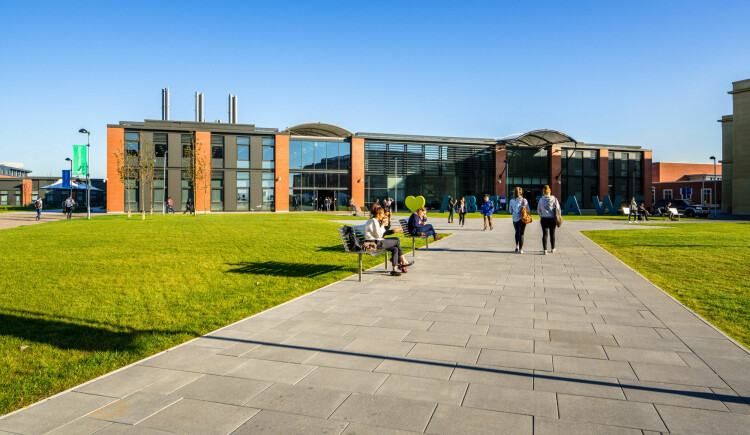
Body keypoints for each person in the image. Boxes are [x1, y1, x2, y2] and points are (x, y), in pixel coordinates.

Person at [365, 206, 413, 276]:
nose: (383, 216)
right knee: (396, 241)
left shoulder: (374, 221)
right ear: (378, 214)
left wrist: (384, 224)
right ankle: (403, 261)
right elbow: (378, 235)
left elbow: (380, 234)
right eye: (382, 214)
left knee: (395, 248)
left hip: (374, 242)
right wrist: (382, 225)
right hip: (371, 244)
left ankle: (394, 270)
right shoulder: (373, 221)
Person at [537, 185, 560, 255]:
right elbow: (558, 209)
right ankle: (553, 248)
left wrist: (541, 216)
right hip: (552, 219)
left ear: (543, 192)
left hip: (544, 219)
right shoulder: (554, 199)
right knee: (552, 234)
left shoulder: (541, 200)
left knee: (544, 234)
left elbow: (539, 210)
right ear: (550, 191)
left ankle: (545, 250)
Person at [508, 187, 528, 253]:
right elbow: (528, 209)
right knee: (521, 233)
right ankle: (520, 249)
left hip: (515, 218)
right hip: (522, 218)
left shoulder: (511, 201)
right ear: (521, 192)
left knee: (517, 232)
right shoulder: (524, 200)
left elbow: (510, 211)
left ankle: (517, 246)